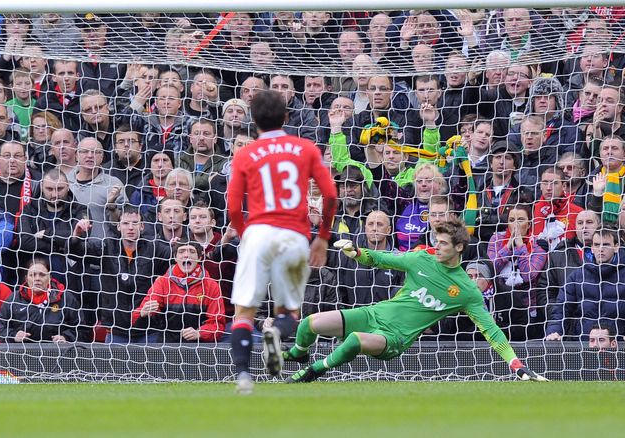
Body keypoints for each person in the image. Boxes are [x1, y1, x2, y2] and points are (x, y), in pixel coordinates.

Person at [282, 221, 546, 383]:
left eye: (443, 243)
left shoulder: (467, 291)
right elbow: (381, 258)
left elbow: (492, 332)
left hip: (395, 338)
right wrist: (357, 252)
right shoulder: (420, 260)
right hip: (374, 314)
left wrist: (517, 365)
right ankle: (298, 354)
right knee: (309, 324)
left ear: (459, 248)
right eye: (437, 241)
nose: (437, 246)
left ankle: (315, 371)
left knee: (354, 341)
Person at [227, 88, 338, 394]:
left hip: (258, 233)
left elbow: (234, 206)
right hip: (294, 235)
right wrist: (323, 237)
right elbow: (330, 194)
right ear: (287, 117)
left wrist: (243, 230)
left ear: (253, 119)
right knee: (289, 313)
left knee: (245, 312)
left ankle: (244, 377)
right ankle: (275, 332)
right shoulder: (305, 148)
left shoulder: (245, 154)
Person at [131, 241, 226, 343]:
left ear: (199, 258)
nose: (186, 255)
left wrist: (200, 333)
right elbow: (135, 316)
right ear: (175, 258)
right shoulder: (163, 282)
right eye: (181, 251)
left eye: (191, 251)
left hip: (199, 346)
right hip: (166, 345)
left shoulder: (211, 286)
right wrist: (143, 313)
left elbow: (218, 324)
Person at [0, 257, 80, 343]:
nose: (37, 278)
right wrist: (13, 336)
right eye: (32, 275)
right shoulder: (14, 299)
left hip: (58, 352)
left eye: (42, 275)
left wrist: (66, 337)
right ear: (26, 278)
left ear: (50, 277)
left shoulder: (66, 298)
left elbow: (82, 330)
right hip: (21, 353)